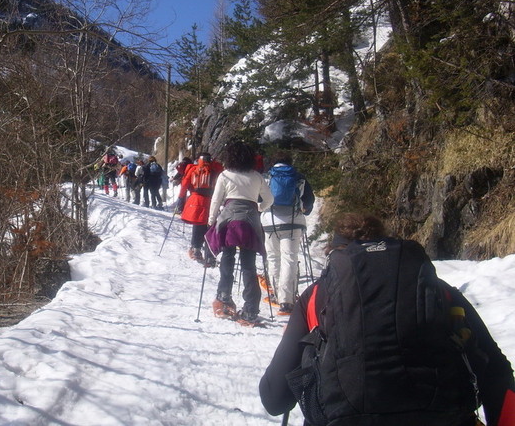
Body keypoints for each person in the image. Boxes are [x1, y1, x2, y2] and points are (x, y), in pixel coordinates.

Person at [259, 212, 515, 426]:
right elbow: (497, 372)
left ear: (334, 255)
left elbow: (274, 398)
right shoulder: (438, 290)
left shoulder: (315, 297)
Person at [206, 141, 274, 325]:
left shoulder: (225, 175)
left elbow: (216, 200)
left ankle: (224, 296)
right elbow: (269, 199)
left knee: (227, 258)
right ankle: (251, 309)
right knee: (249, 266)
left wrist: (211, 220)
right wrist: (258, 208)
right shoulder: (257, 177)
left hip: (229, 220)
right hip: (251, 221)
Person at [260, 151, 315, 315]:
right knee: (289, 259)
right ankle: (287, 301)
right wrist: (304, 212)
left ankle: (277, 295)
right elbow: (309, 201)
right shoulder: (298, 176)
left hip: (270, 222)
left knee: (273, 257)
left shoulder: (267, 177)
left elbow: (258, 199)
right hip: (293, 222)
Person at [176, 153, 223, 267]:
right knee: (210, 227)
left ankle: (196, 249)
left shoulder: (193, 169)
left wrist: (181, 199)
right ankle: (210, 254)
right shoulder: (215, 170)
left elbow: (184, 185)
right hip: (211, 201)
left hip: (196, 200)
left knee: (198, 225)